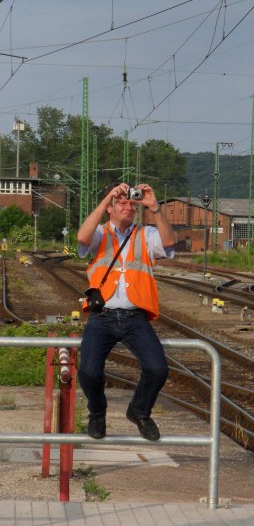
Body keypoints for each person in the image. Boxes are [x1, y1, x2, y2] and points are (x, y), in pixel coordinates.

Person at [77, 182, 176, 441]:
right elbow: (82, 237)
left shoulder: (146, 234)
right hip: (103, 316)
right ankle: (97, 413)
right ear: (109, 208)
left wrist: (154, 206)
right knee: (88, 372)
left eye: (132, 203)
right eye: (121, 202)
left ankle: (139, 411)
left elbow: (169, 242)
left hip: (135, 316)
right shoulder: (100, 233)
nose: (128, 206)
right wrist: (107, 197)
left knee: (157, 369)